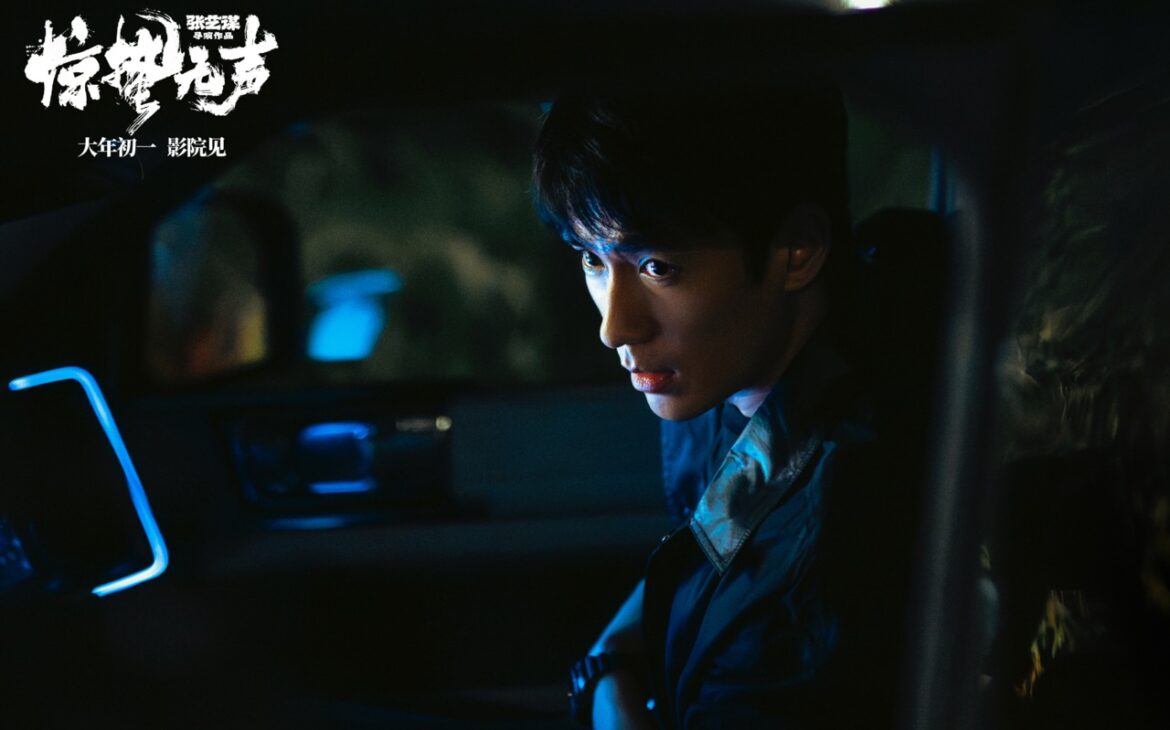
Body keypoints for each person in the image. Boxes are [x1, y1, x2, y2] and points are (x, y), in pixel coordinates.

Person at [534, 82, 919, 729]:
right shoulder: (736, 371)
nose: (614, 327)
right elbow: (709, 545)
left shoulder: (814, 583)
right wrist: (611, 660)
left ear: (797, 250)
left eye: (657, 266)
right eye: (592, 258)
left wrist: (609, 687)